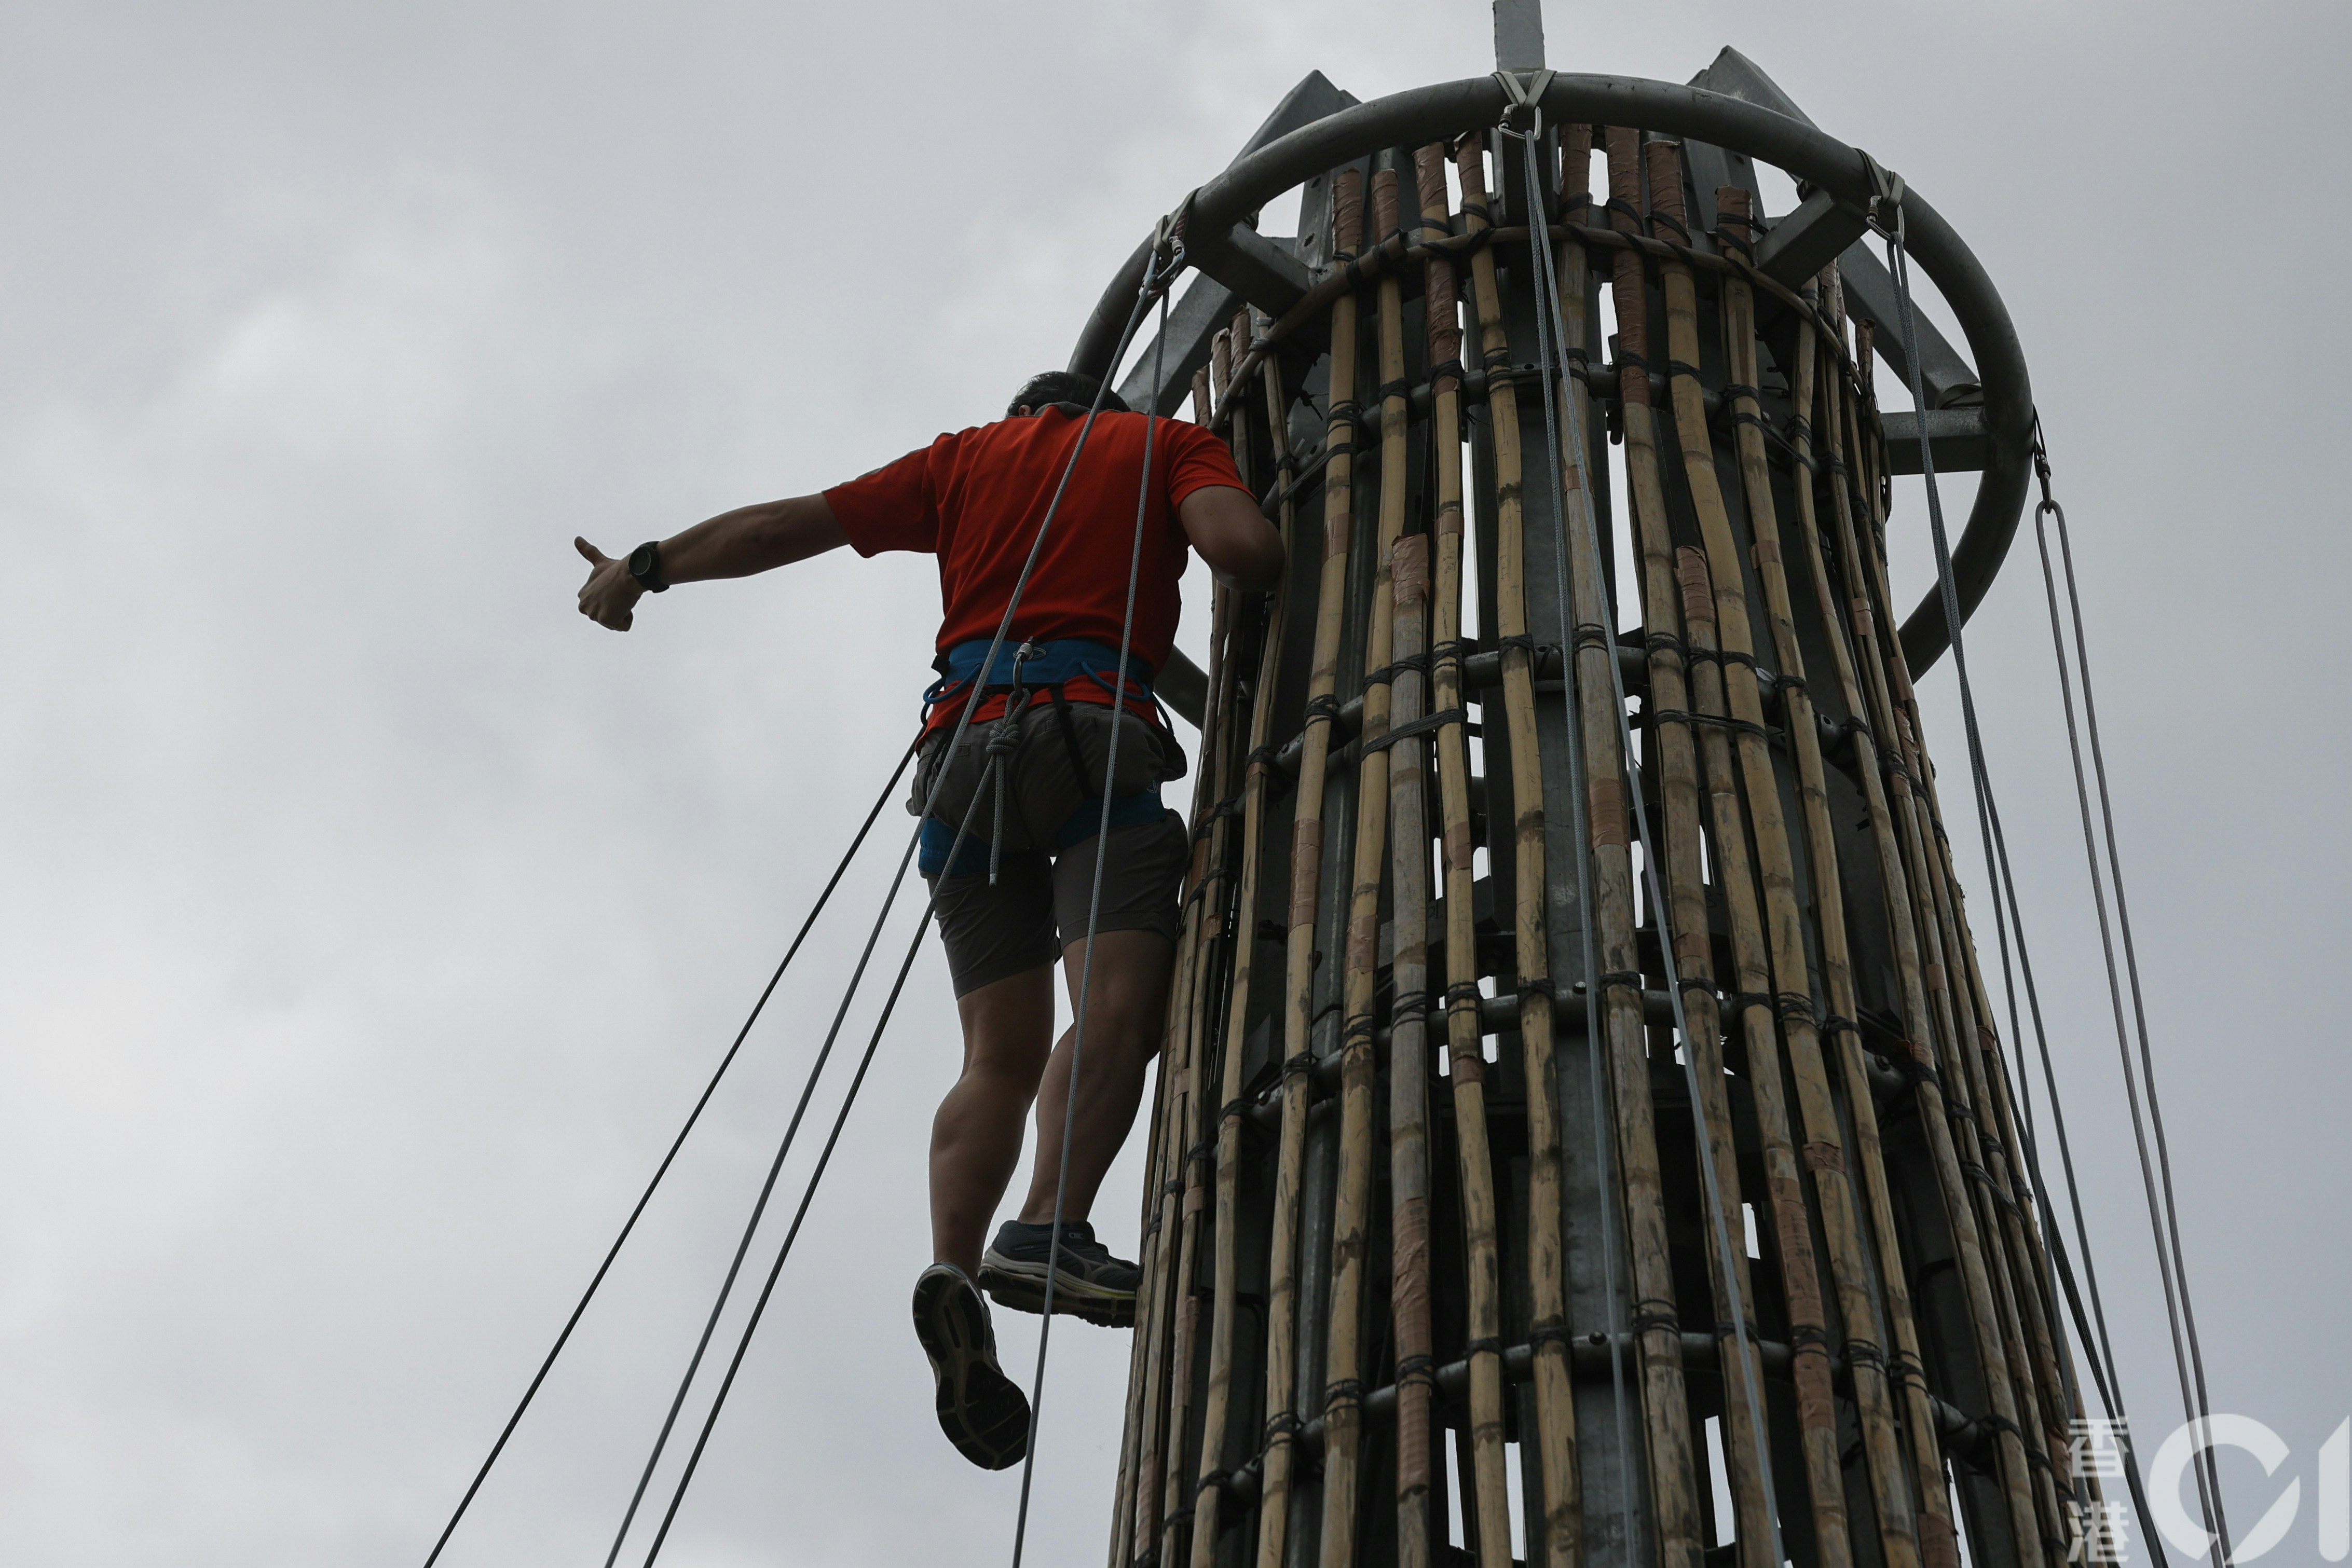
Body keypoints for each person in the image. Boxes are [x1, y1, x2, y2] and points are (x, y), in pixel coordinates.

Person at [573, 369, 1284, 1471]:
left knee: (992, 1054)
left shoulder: (961, 461)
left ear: (1025, 414)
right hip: (1091, 742)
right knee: (1113, 1002)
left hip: (957, 763)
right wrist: (1270, 531)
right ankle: (1047, 1225)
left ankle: (957, 1263)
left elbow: (783, 525)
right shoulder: (1161, 443)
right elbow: (1240, 549)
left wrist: (647, 565)